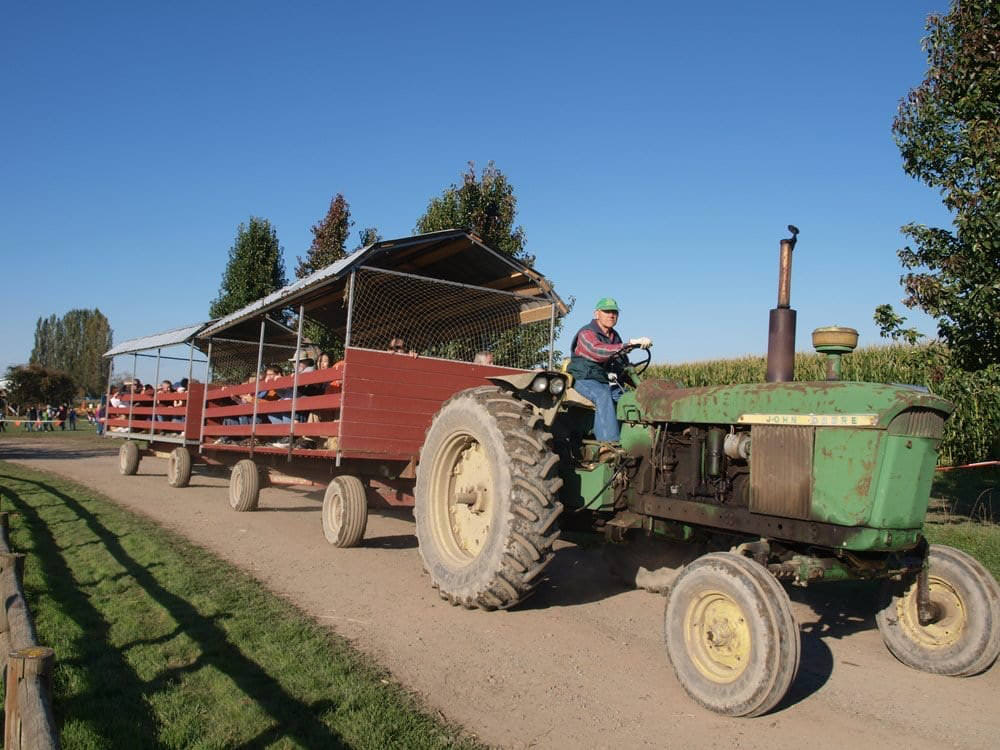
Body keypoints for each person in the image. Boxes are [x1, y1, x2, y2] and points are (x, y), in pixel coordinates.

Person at [565, 297, 652, 442]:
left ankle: (638, 441)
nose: (611, 315)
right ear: (596, 314)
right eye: (607, 312)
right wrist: (628, 345)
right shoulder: (586, 333)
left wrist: (643, 388)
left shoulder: (614, 336)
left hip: (604, 381)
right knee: (603, 395)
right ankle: (608, 445)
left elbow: (621, 364)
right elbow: (597, 352)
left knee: (630, 399)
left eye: (614, 312)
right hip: (584, 378)